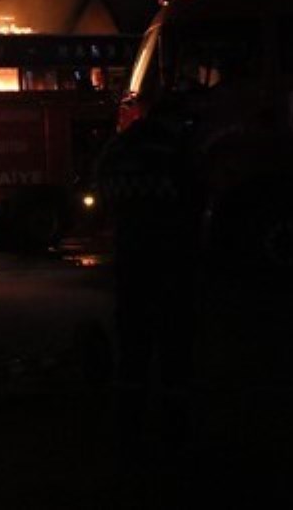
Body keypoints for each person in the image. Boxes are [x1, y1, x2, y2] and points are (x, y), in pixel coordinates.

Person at [95, 91, 207, 459]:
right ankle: (175, 437)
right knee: (175, 350)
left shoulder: (117, 148)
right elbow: (195, 197)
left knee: (132, 350)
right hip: (172, 263)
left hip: (131, 264)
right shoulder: (176, 150)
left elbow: (103, 195)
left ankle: (127, 433)